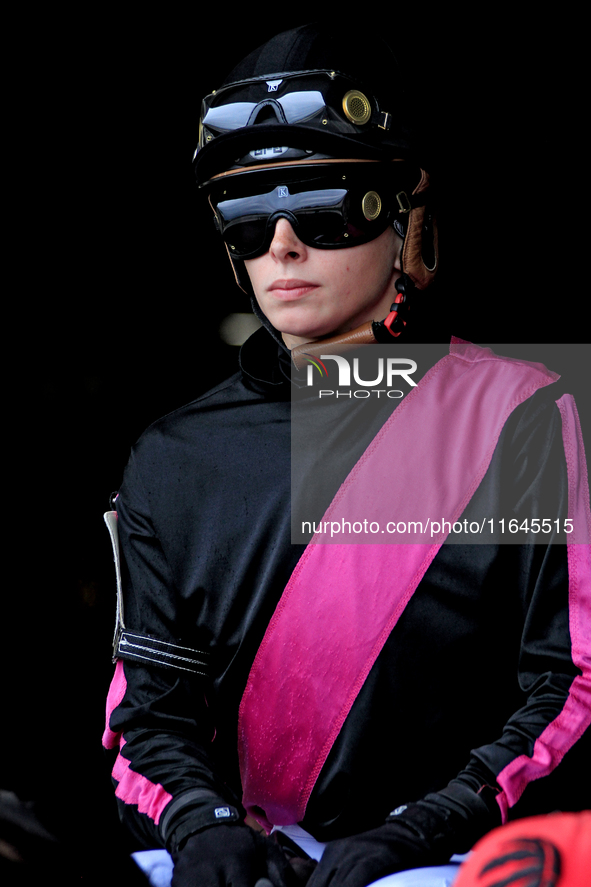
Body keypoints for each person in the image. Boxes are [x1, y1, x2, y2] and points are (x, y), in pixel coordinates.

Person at [102, 22, 591, 887]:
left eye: (325, 203)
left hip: (447, 867)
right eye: (248, 215)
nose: (282, 244)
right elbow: (151, 719)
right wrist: (201, 823)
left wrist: (418, 831)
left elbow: (571, 687)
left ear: (407, 215)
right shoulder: (172, 454)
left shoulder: (525, 413)